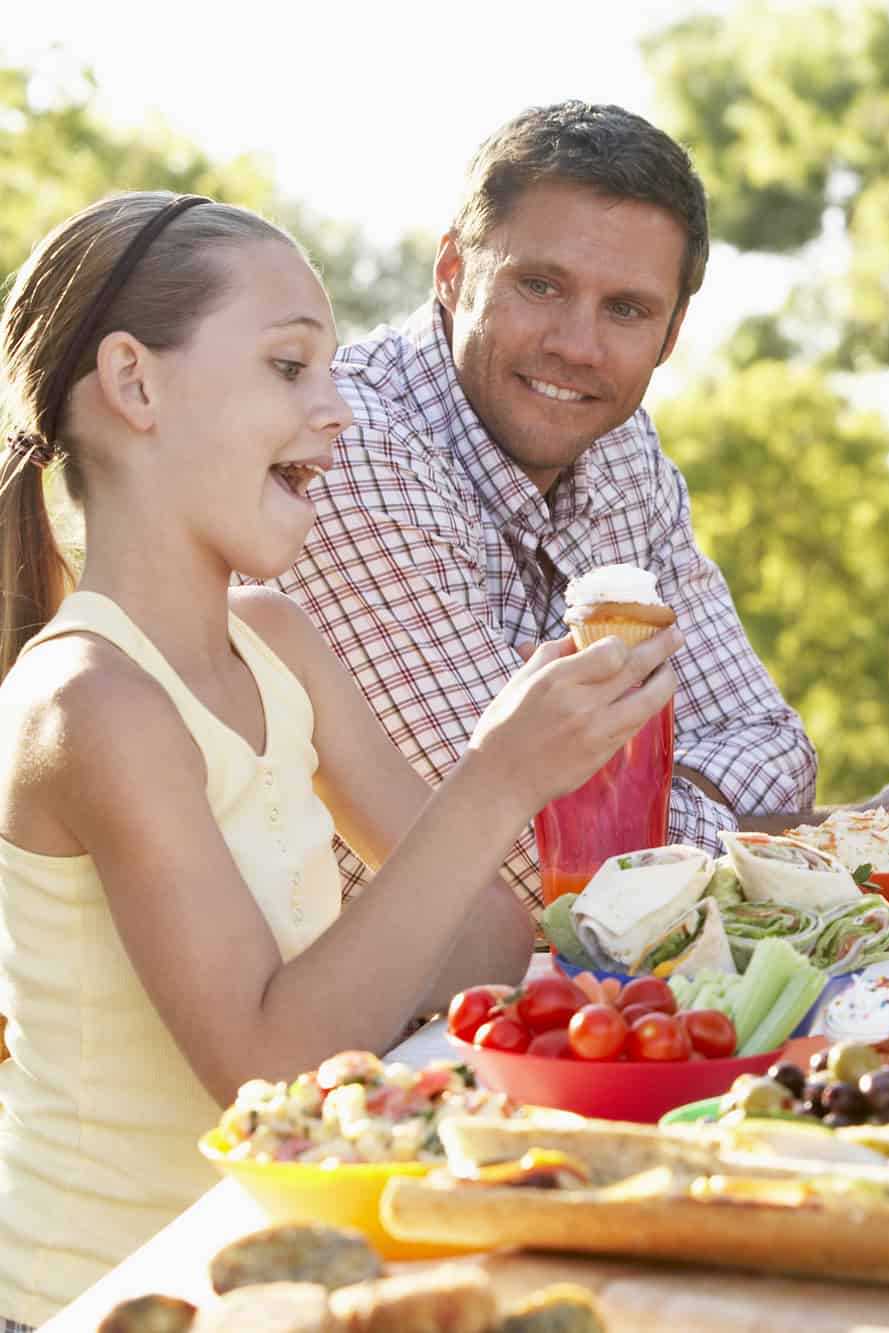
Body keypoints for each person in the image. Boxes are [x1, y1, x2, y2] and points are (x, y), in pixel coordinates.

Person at [0, 193, 680, 1326]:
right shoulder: (93, 702)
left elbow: (482, 946)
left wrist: (560, 766)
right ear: (134, 384)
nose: (337, 414)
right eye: (287, 368)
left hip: (275, 1278)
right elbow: (266, 1070)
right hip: (106, 1300)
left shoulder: (271, 641)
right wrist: (500, 775)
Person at [262, 101, 889, 909]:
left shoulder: (617, 444)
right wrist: (824, 838)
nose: (578, 347)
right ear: (453, 272)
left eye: (626, 309)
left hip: (569, 994)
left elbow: (770, 744)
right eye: (540, 285)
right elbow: (516, 858)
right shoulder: (351, 446)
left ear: (672, 331)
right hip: (371, 1019)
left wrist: (619, 801)